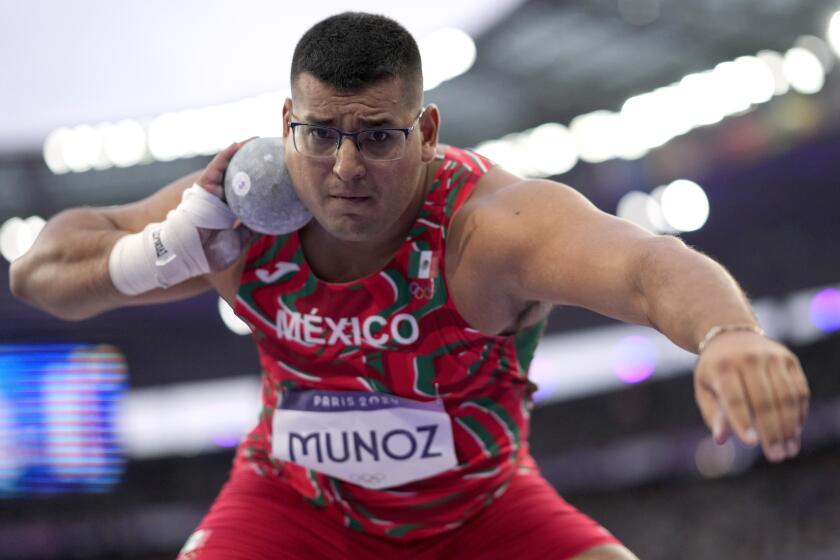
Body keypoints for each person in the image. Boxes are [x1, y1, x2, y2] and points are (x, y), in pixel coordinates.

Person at [10, 12, 809, 560]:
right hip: (292, 509)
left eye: (378, 136)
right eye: (320, 135)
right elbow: (37, 273)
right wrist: (165, 249)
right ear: (287, 123)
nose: (345, 168)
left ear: (426, 132)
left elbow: (644, 265)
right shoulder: (236, 212)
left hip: (484, 512)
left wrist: (726, 331)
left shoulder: (489, 227)